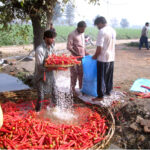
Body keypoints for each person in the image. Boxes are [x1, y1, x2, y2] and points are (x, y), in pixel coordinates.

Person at [92, 16, 116, 101]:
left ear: (101, 23)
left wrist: (94, 56)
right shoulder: (112, 30)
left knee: (101, 77)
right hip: (111, 57)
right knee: (109, 76)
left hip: (102, 58)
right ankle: (108, 92)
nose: (97, 27)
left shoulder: (102, 31)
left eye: (97, 25)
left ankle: (100, 96)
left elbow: (99, 48)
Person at [34, 30, 57, 112]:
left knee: (55, 93)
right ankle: (37, 112)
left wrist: (59, 65)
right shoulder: (39, 50)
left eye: (53, 38)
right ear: (46, 38)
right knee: (41, 96)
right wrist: (51, 68)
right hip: (40, 75)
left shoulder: (52, 47)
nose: (53, 40)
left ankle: (54, 110)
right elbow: (39, 66)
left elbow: (55, 59)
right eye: (51, 38)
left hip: (50, 75)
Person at [67, 21, 88, 96]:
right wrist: (77, 54)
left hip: (82, 58)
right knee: (74, 74)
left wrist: (86, 52)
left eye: (84, 29)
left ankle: (81, 89)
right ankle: (72, 90)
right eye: (82, 29)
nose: (83, 30)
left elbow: (82, 46)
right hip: (74, 58)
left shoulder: (82, 34)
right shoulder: (72, 34)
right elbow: (69, 47)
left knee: (81, 74)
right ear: (78, 27)